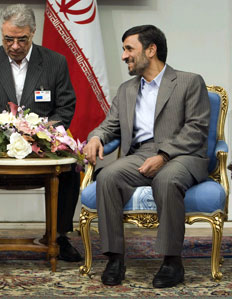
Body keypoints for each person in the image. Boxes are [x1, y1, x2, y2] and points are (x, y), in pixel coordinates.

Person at [83, 25, 210, 288]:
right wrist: (96, 137)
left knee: (167, 179)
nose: (124, 56)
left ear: (151, 50)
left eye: (129, 49)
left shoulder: (189, 81)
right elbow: (109, 125)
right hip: (140, 154)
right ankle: (115, 259)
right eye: (124, 49)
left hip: (182, 156)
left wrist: (164, 155)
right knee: (107, 176)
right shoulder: (127, 89)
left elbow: (196, 129)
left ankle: (172, 261)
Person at [0, 4, 82, 262]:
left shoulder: (54, 62)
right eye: (8, 39)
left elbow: (66, 106)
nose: (14, 46)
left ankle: (58, 236)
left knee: (71, 167)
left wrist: (42, 133)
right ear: (1, 34)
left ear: (33, 33)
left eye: (21, 39)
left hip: (40, 150)